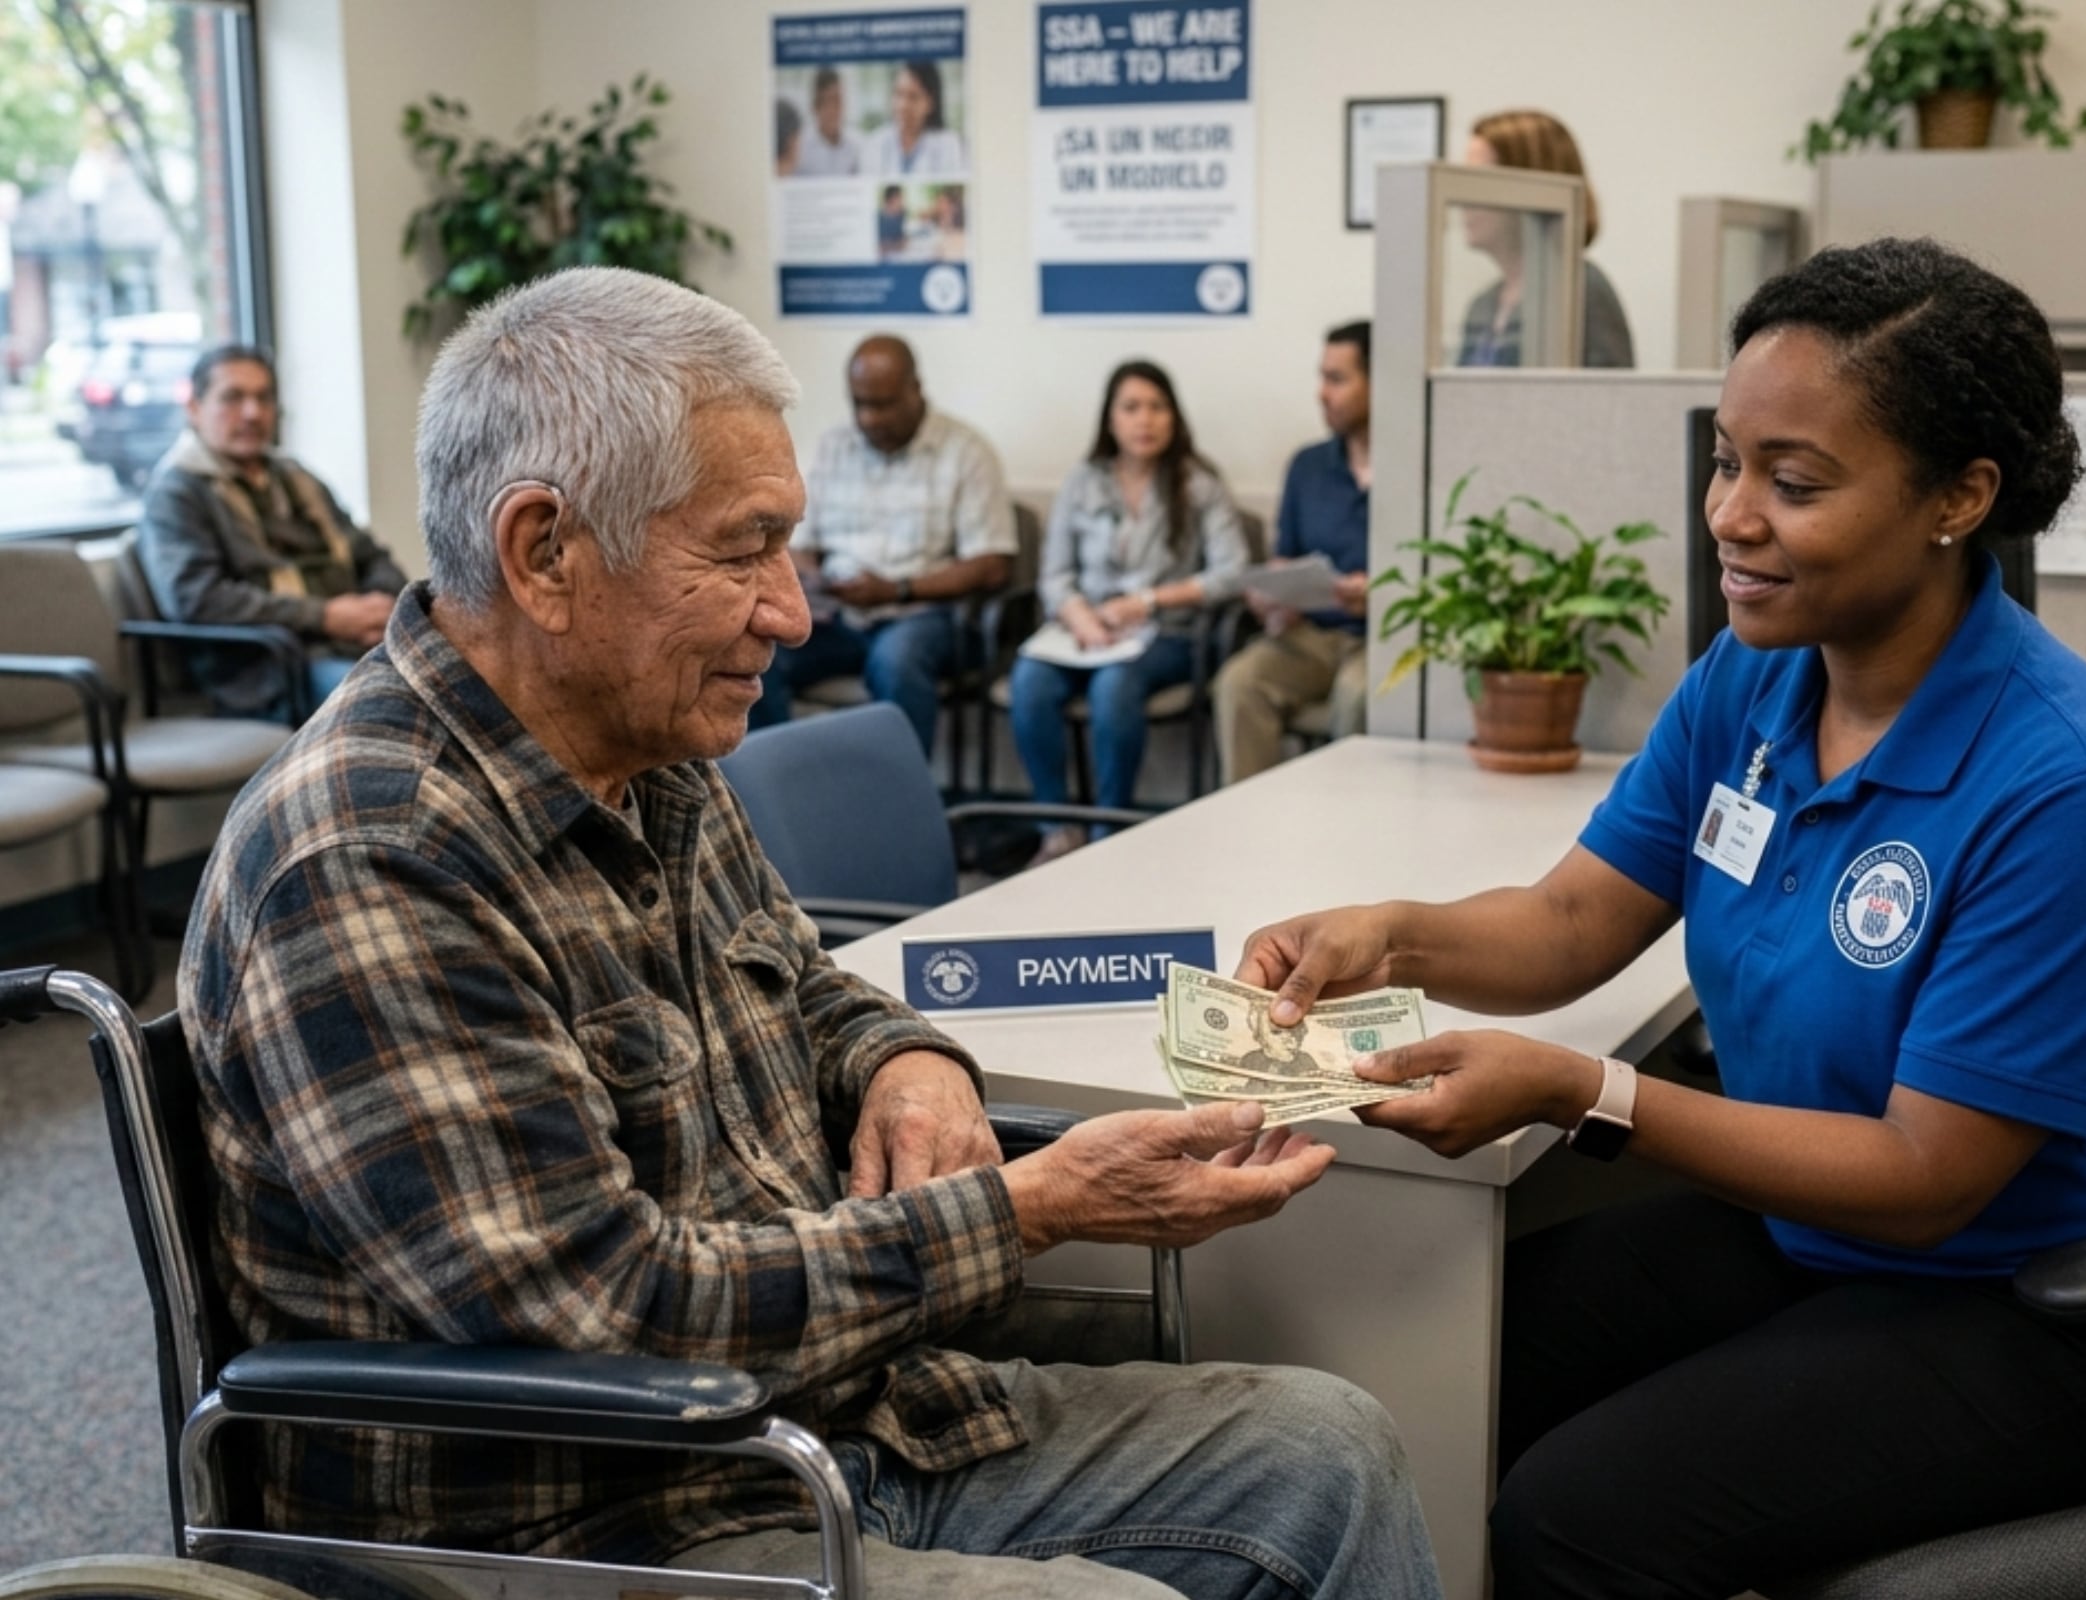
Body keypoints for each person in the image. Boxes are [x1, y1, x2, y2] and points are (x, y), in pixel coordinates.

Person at [179, 267, 1441, 1600]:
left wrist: (915, 1067)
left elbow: (810, 993)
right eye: (743, 549)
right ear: (545, 553)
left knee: (1331, 1448)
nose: (791, 609)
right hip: (598, 1524)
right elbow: (611, 1322)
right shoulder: (373, 855)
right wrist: (1029, 1208)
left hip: (827, 1428)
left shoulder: (642, 752)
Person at [1235, 238, 2086, 1598]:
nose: (1732, 517)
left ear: (1960, 497)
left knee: (1576, 1521)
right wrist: (1385, 934)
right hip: (1809, 1238)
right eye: (1726, 462)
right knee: (1441, 1369)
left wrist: (1585, 1094)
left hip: (2035, 1302)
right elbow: (1576, 919)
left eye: (1793, 482)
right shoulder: (1759, 679)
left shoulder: (2073, 784)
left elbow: (1928, 1181)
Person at [1010, 360, 1248, 862]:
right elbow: (1055, 573)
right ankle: (1057, 828)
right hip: (1083, 631)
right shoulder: (1084, 479)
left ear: (1175, 417)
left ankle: (1108, 833)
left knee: (1114, 686)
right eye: (1132, 408)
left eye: (1157, 407)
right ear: (1110, 420)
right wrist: (1080, 617)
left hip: (1166, 635)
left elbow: (1231, 573)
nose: (1145, 420)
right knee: (1029, 681)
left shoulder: (1198, 483)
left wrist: (1148, 602)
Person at [753, 335, 1013, 753]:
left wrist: (897, 590)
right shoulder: (834, 447)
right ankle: (777, 793)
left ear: (916, 390)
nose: (871, 418)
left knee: (896, 661)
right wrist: (814, 577)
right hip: (838, 614)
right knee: (752, 653)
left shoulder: (966, 452)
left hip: (923, 615)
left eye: (884, 404)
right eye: (860, 404)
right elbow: (797, 544)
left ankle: (899, 807)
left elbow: (993, 564)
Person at [137, 344, 407, 719]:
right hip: (263, 670)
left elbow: (370, 554)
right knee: (390, 702)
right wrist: (326, 617)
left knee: (470, 676)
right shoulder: (178, 492)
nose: (253, 412)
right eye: (233, 397)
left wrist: (381, 608)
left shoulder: (296, 477)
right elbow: (198, 600)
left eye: (264, 398)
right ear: (195, 409)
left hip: (352, 643)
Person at [1213, 320, 1373, 783]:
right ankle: (1250, 833)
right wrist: (1272, 598)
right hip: (1312, 635)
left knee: (1357, 695)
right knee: (1240, 683)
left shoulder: (1420, 463)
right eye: (1321, 377)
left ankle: (1348, 835)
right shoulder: (1308, 466)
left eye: (1337, 379)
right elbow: (1286, 558)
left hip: (1386, 638)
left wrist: (1376, 592)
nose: (1322, 393)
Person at [1456, 110, 1635, 370]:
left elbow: (1611, 404)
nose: (1464, 199)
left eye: (1480, 180)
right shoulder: (1483, 304)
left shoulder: (1581, 290)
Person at [867, 59, 964, 177]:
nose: (902, 105)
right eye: (898, 94)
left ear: (930, 103)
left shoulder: (948, 145)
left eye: (913, 97)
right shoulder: (876, 143)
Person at [795, 67, 861, 176]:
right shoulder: (800, 148)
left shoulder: (856, 144)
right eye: (828, 102)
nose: (835, 110)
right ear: (815, 106)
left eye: (838, 101)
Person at [875, 183, 909, 260]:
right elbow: (880, 247)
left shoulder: (901, 214)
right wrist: (897, 245)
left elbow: (904, 240)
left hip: (900, 257)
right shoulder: (878, 218)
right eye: (900, 199)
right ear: (891, 200)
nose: (902, 202)